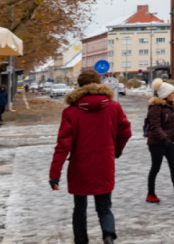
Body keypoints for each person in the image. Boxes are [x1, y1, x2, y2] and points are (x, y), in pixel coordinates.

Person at [49, 68, 131, 244]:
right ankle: (108, 234)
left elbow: (63, 145)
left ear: (79, 85)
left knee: (79, 208)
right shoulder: (113, 107)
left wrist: (54, 174)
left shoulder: (71, 112)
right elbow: (126, 131)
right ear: (98, 83)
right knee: (104, 207)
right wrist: (116, 150)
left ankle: (81, 240)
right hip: (104, 163)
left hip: (80, 166)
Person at [145, 78, 174, 203]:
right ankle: (150, 194)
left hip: (170, 141)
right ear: (165, 95)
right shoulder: (155, 108)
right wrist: (164, 139)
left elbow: (170, 125)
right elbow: (155, 126)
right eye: (172, 93)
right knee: (155, 168)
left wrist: (172, 138)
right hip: (157, 143)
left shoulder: (170, 105)